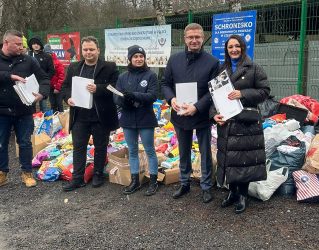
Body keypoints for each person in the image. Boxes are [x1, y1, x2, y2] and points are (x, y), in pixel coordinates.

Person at [210, 34, 270, 214]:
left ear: (243, 48)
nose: (234, 49)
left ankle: (242, 195)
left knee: (244, 160)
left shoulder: (254, 68)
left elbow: (265, 91)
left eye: (237, 46)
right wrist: (214, 114)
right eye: (230, 47)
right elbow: (214, 96)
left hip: (246, 123)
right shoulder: (221, 69)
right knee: (229, 159)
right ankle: (232, 192)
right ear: (226, 50)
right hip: (227, 123)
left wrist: (242, 94)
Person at [161, 23, 219, 203]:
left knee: (205, 152)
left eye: (197, 37)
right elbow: (165, 84)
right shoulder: (174, 60)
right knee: (183, 151)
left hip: (201, 115)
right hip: (179, 114)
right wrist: (172, 100)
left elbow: (213, 90)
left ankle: (206, 186)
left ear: (203, 38)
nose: (194, 40)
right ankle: (184, 182)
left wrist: (198, 106)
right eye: (190, 37)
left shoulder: (212, 62)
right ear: (184, 39)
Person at [62, 36, 119, 192]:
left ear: (98, 50)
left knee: (100, 146)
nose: (88, 52)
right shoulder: (74, 67)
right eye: (85, 49)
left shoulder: (109, 66)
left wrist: (98, 88)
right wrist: (68, 98)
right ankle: (77, 178)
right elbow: (65, 87)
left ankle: (98, 174)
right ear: (81, 51)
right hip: (80, 116)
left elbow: (115, 87)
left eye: (92, 49)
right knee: (78, 147)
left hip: (100, 115)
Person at [0, 30, 50, 187]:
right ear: (6, 43)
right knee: (1, 143)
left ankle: (27, 173)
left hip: (24, 111)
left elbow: (44, 78)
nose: (21, 47)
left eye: (22, 44)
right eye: (18, 44)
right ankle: (2, 173)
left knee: (25, 143)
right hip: (2, 111)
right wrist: (9, 76)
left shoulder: (28, 60)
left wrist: (41, 94)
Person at [113, 45, 159, 196]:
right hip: (128, 119)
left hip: (145, 118)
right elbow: (116, 96)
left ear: (144, 58)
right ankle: (135, 181)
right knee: (132, 151)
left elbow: (153, 96)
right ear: (130, 59)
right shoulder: (122, 77)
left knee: (149, 150)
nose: (139, 59)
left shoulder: (151, 75)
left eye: (141, 56)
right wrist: (124, 101)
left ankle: (153, 181)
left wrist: (134, 95)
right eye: (135, 57)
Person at [28, 36, 55, 112]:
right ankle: (33, 121)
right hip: (31, 85)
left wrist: (45, 80)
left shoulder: (47, 56)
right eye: (34, 44)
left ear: (41, 45)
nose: (36, 45)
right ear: (31, 45)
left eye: (37, 44)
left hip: (42, 85)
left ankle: (46, 122)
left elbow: (52, 71)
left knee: (43, 106)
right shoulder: (28, 56)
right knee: (31, 105)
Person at [44, 44, 65, 112]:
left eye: (48, 53)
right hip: (50, 87)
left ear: (51, 53)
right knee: (52, 104)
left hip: (58, 88)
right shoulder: (45, 63)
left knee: (59, 103)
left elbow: (61, 76)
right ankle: (54, 119)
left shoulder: (58, 63)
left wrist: (57, 88)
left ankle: (62, 117)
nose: (47, 55)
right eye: (46, 53)